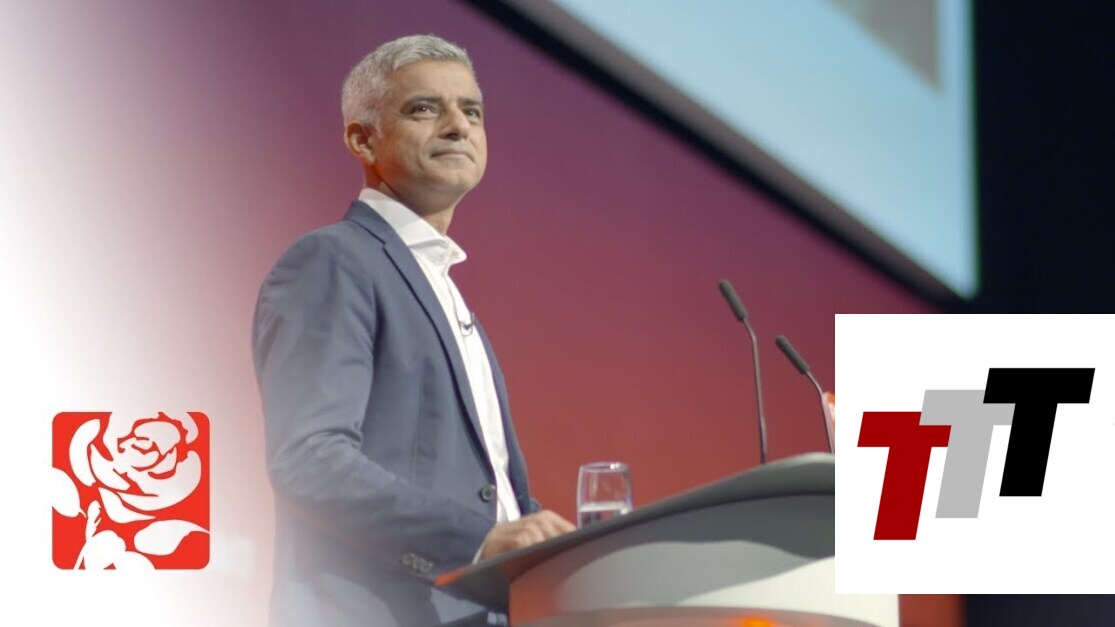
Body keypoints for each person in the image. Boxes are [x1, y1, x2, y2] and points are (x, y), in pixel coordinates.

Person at [251, 34, 575, 626]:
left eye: (472, 111)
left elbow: (497, 494)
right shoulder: (335, 260)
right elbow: (309, 458)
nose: (458, 126)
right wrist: (476, 542)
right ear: (363, 139)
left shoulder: (444, 291)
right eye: (425, 108)